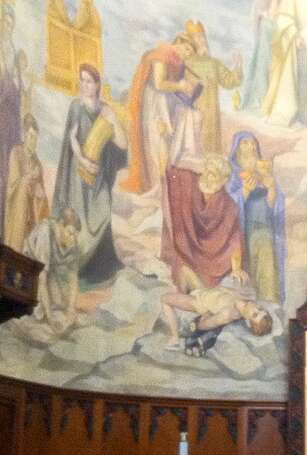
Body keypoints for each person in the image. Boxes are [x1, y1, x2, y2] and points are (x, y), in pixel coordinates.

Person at [51, 63, 128, 285]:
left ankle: (98, 266)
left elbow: (122, 144)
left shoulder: (106, 110)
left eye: (89, 81)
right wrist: (83, 160)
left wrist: (113, 120)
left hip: (98, 173)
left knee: (103, 209)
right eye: (81, 80)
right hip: (79, 172)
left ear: (97, 85)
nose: (84, 85)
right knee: (79, 218)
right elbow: (72, 137)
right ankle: (78, 265)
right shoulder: (76, 106)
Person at [122, 34, 198, 196]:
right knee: (157, 142)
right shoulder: (162, 54)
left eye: (190, 54)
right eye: (187, 49)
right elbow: (159, 83)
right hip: (155, 103)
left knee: (165, 142)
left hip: (164, 103)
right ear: (178, 42)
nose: (187, 55)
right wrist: (181, 86)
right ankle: (157, 186)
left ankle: (163, 186)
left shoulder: (176, 61)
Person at [166, 153, 247, 292]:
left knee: (206, 291)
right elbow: (167, 172)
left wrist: (237, 268)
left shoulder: (229, 206)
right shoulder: (188, 182)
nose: (208, 176)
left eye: (214, 174)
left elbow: (235, 243)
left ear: (223, 181)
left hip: (215, 262)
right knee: (183, 271)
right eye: (207, 171)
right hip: (188, 252)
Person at [226, 132, 286, 303]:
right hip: (240, 230)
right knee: (246, 266)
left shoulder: (264, 172)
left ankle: (269, 303)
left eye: (253, 144)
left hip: (263, 227)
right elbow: (225, 206)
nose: (250, 147)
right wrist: (244, 191)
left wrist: (272, 187)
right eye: (245, 143)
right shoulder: (232, 173)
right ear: (237, 148)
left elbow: (274, 204)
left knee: (266, 261)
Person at [160, 284, 272, 354]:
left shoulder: (228, 314)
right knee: (184, 270)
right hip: (203, 290)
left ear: (248, 321)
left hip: (197, 301)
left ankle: (174, 338)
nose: (256, 308)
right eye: (261, 309)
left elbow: (202, 325)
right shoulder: (245, 297)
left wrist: (206, 311)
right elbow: (222, 289)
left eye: (255, 314)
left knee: (164, 298)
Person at [184, 21, 243, 154]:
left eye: (202, 36)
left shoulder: (213, 63)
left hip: (211, 114)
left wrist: (238, 66)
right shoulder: (185, 63)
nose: (202, 40)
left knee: (210, 150)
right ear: (190, 41)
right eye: (196, 37)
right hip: (192, 112)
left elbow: (230, 81)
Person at [23, 207, 81, 334]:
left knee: (62, 305)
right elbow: (41, 278)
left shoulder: (73, 240)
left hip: (49, 274)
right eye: (70, 233)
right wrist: (50, 319)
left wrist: (70, 309)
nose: (73, 239)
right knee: (39, 312)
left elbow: (73, 277)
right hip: (29, 271)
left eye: (75, 235)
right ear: (60, 225)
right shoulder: (46, 232)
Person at [3, 114, 48, 252]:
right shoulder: (16, 153)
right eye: (31, 137)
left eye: (35, 138)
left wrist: (40, 195)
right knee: (22, 188)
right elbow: (14, 185)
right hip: (17, 211)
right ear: (24, 136)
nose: (33, 141)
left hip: (31, 215)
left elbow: (42, 198)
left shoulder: (38, 164)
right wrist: (29, 179)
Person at [0, 2, 21, 241]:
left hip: (7, 121)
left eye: (10, 23)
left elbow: (14, 90)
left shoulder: (10, 50)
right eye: (4, 22)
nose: (7, 27)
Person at [239, 0, 277, 112]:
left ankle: (262, 100)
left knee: (265, 65)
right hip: (265, 29)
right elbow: (257, 13)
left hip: (269, 28)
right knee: (261, 65)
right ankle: (260, 100)